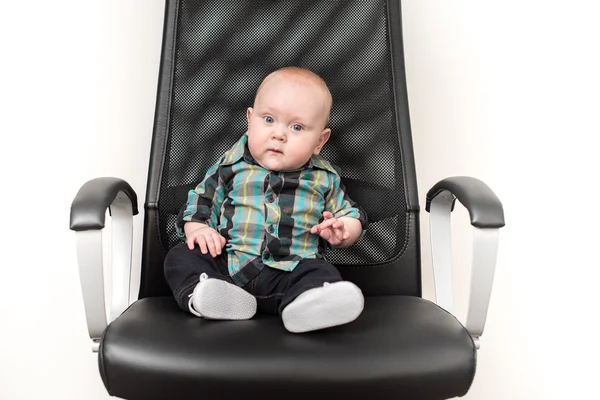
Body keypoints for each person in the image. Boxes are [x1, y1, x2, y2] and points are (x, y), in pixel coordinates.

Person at [164, 66, 368, 333]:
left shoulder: (324, 178)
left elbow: (350, 214)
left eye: (296, 127)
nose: (279, 134)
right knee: (181, 256)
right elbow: (200, 201)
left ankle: (307, 306)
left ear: (320, 141)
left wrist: (344, 230)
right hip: (228, 267)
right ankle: (207, 295)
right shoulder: (230, 167)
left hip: (291, 270)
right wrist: (199, 228)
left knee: (320, 273)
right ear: (250, 120)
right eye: (269, 120)